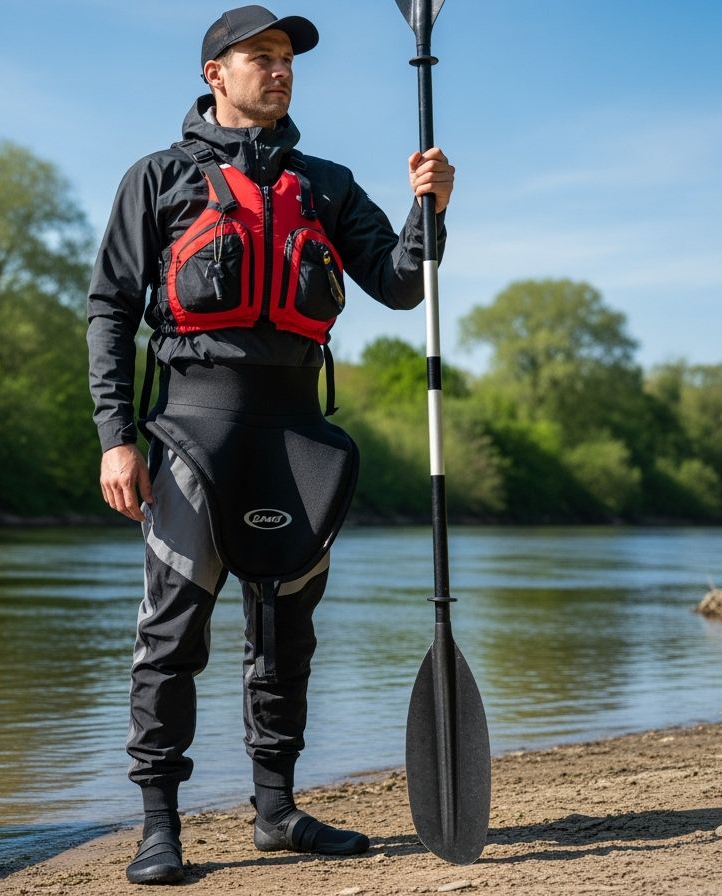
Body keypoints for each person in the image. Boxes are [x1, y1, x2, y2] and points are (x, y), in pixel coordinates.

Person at [86, 5, 455, 885]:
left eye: (288, 58)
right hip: (191, 429)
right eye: (262, 56)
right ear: (216, 72)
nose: (280, 70)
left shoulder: (325, 184)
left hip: (296, 432)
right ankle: (159, 825)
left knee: (287, 633)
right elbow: (109, 309)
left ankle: (276, 811)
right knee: (172, 635)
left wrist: (427, 211)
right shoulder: (158, 178)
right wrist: (116, 438)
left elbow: (402, 287)